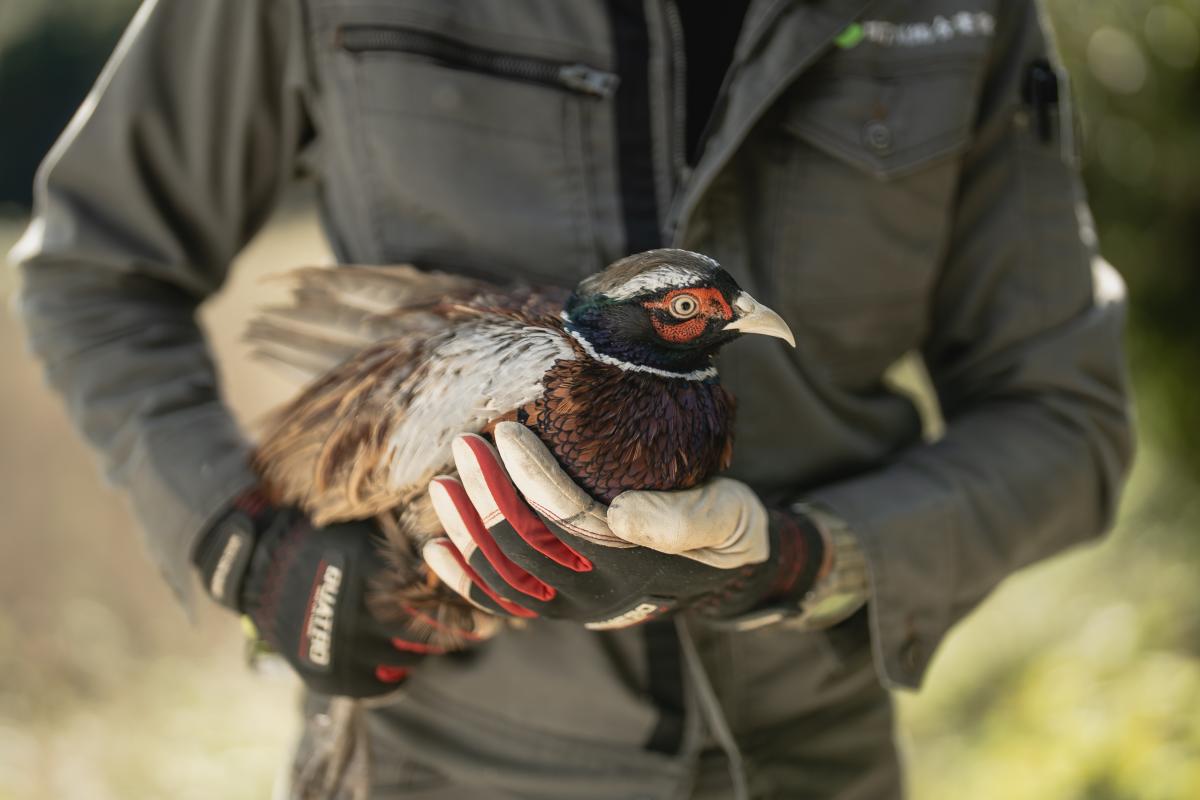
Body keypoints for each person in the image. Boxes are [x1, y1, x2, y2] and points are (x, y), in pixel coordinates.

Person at [11, 1, 1134, 798]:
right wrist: (248, 551)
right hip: (441, 761)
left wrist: (802, 559)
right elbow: (92, 271)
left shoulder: (960, 15)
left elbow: (1066, 418)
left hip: (806, 760)